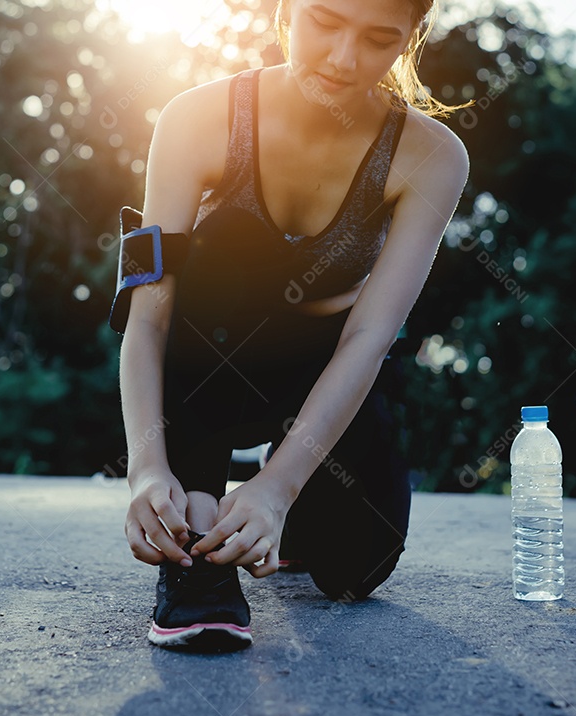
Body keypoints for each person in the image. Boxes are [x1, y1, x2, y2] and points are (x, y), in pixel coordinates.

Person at [112, 0, 470, 653]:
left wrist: (281, 488)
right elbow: (148, 323)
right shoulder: (195, 118)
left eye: (377, 38)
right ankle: (197, 556)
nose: (342, 58)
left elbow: (371, 336)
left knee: (357, 572)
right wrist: (145, 469)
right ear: (286, 9)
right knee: (225, 243)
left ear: (409, 40)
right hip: (211, 359)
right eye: (325, 22)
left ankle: (278, 496)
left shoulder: (432, 155)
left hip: (329, 368)